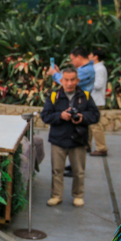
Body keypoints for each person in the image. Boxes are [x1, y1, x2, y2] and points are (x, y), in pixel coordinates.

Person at [40, 67, 100, 207]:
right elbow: (45, 116)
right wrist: (60, 116)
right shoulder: (54, 96)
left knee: (79, 171)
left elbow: (95, 115)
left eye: (73, 79)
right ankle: (56, 195)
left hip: (77, 140)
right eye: (66, 80)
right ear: (61, 80)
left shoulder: (84, 96)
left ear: (77, 80)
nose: (69, 83)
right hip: (58, 139)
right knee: (57, 170)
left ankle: (78, 196)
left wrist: (82, 117)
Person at [88, 48, 109, 157]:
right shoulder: (96, 68)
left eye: (90, 54)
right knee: (89, 124)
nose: (89, 56)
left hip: (96, 100)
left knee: (95, 124)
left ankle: (101, 148)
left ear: (96, 56)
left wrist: (87, 81)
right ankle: (87, 144)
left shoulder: (99, 69)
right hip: (92, 99)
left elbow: (98, 85)